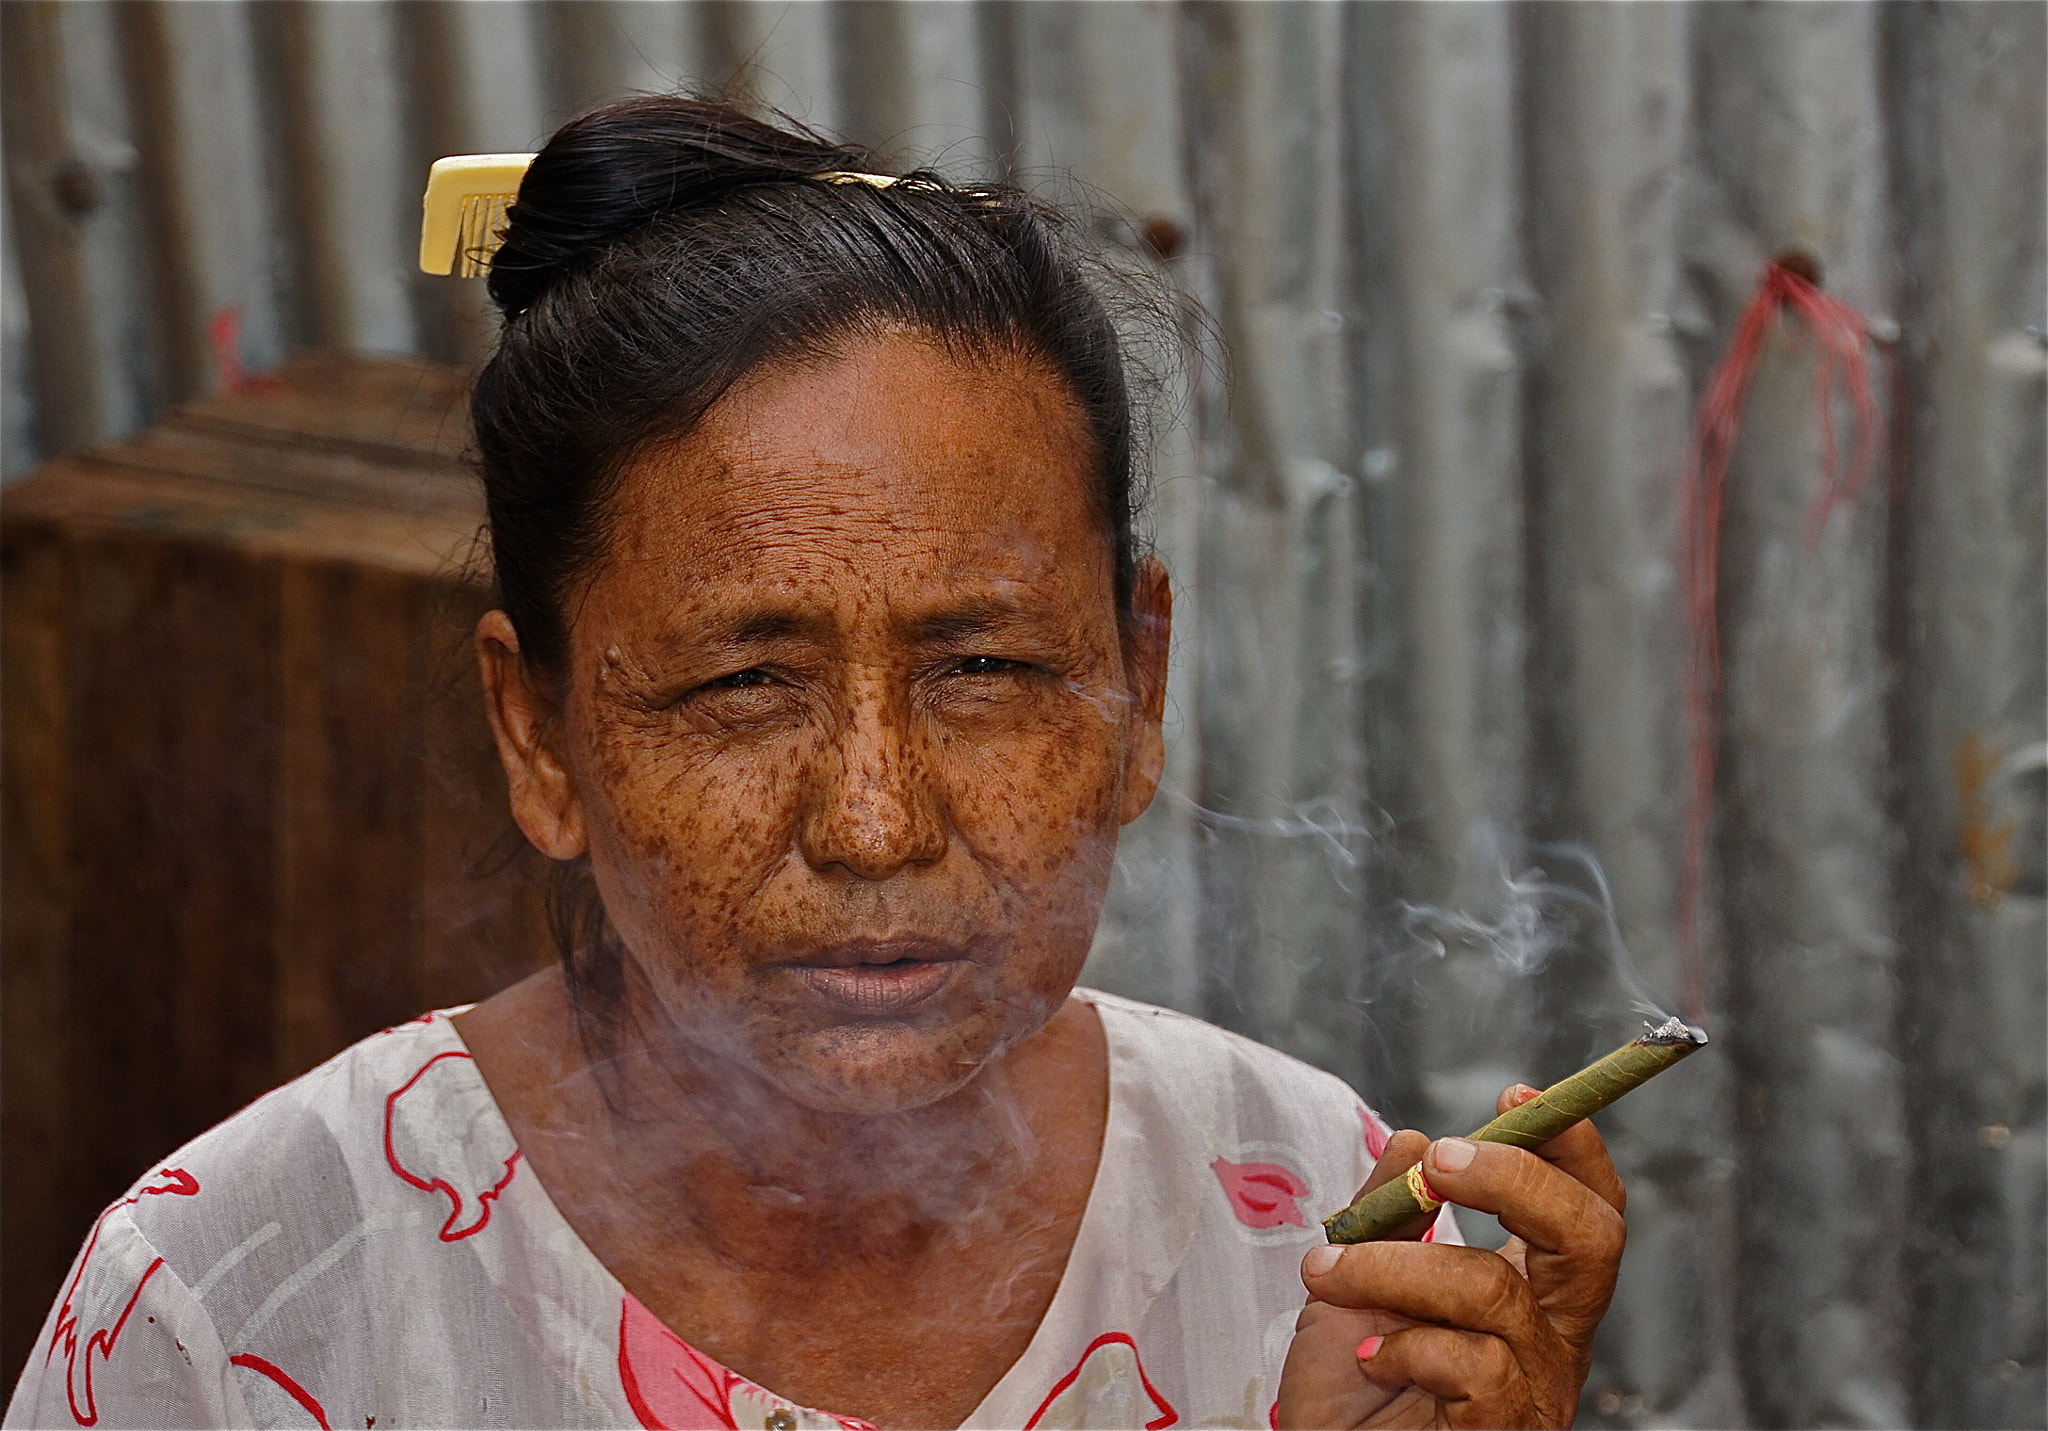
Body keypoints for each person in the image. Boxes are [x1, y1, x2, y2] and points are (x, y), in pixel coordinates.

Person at [5, 98, 1625, 1431]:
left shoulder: (1327, 1238)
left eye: (985, 669)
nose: (873, 821)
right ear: (539, 737)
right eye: (740, 686)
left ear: (1138, 688)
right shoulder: (238, 1311)